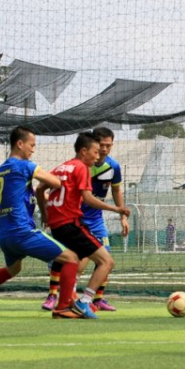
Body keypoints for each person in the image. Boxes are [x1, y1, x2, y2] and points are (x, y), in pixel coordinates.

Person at [0, 126, 79, 317]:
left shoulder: (0, 171)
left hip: (5, 235)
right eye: (32, 145)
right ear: (20, 144)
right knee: (71, 258)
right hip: (22, 232)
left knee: (13, 269)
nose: (33, 149)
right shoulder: (25, 166)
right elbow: (56, 182)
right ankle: (63, 306)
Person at [36, 131, 130, 319]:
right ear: (83, 151)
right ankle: (84, 302)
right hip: (71, 224)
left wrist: (45, 213)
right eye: (95, 151)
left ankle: (63, 305)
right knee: (106, 261)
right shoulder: (82, 168)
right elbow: (87, 199)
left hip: (57, 226)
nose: (98, 156)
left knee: (73, 262)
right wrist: (116, 209)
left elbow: (39, 188)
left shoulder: (62, 167)